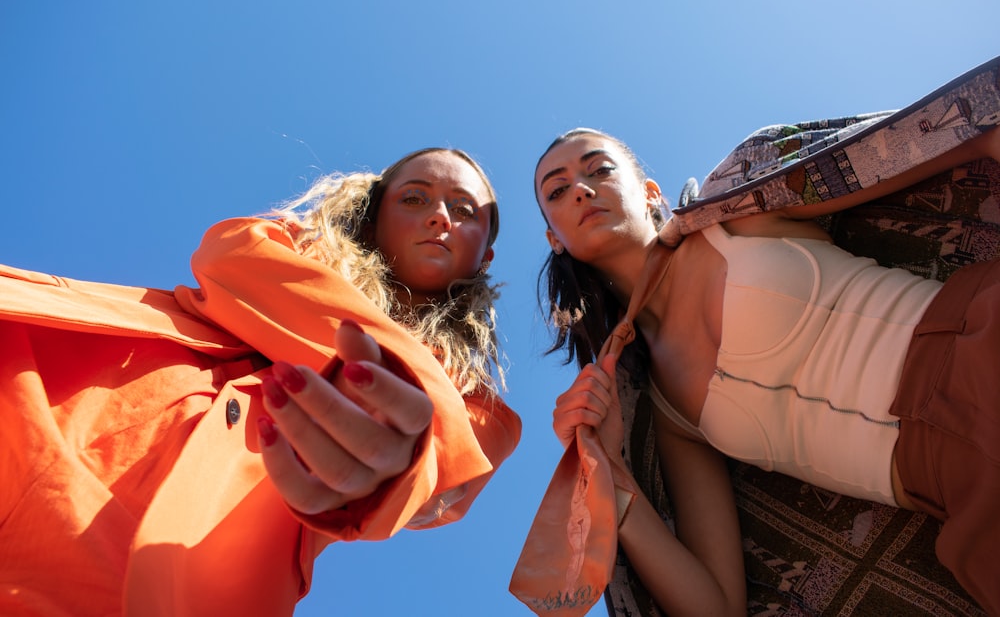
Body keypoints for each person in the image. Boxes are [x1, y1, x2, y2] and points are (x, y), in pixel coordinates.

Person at [0, 147, 521, 616]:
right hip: (44, 394)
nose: (438, 216)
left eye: (464, 210)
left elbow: (441, 476)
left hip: (184, 557)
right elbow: (230, 261)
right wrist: (412, 384)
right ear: (373, 212)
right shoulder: (281, 242)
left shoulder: (479, 410)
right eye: (414, 197)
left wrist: (391, 466)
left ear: (486, 255)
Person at [518, 118, 1000, 617]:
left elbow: (964, 130)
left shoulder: (740, 209)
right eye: (557, 191)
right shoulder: (666, 411)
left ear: (648, 191)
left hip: (978, 342)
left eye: (599, 169)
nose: (580, 188)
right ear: (554, 238)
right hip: (960, 492)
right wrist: (610, 474)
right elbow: (717, 607)